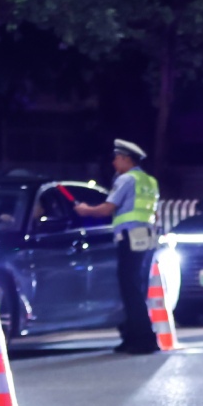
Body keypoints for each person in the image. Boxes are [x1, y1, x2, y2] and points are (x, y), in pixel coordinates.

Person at [74, 139, 161, 354]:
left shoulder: (127, 179)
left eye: (117, 158)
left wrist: (86, 210)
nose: (114, 163)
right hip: (146, 238)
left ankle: (143, 339)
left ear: (126, 159)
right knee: (136, 287)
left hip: (130, 238)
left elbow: (107, 209)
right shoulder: (149, 181)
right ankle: (133, 335)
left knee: (130, 288)